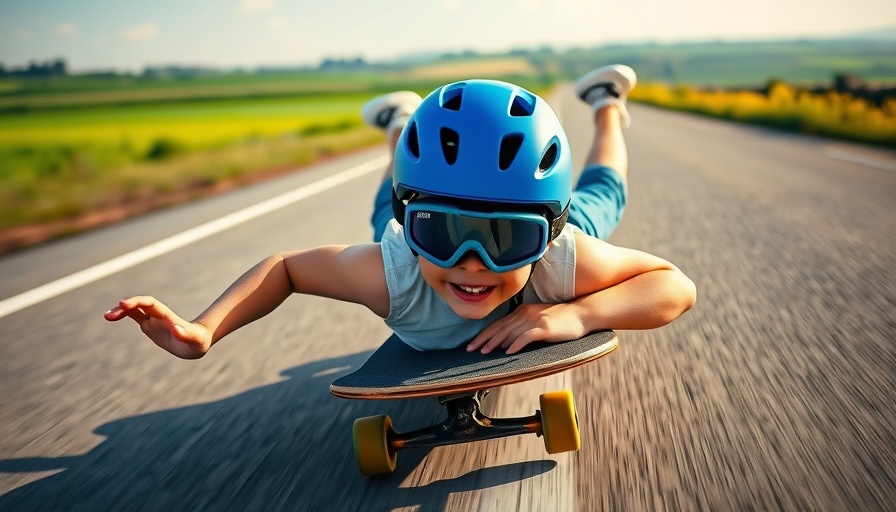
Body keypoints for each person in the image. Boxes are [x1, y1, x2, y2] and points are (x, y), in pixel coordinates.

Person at [104, 65, 696, 356]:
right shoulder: (395, 270)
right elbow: (285, 267)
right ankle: (399, 125)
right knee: (376, 225)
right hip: (404, 250)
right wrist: (205, 328)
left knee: (606, 191)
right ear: (411, 226)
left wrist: (578, 315)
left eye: (505, 238)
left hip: (548, 267)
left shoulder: (563, 261)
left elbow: (674, 286)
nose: (473, 263)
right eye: (440, 230)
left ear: (549, 234)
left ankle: (605, 105)